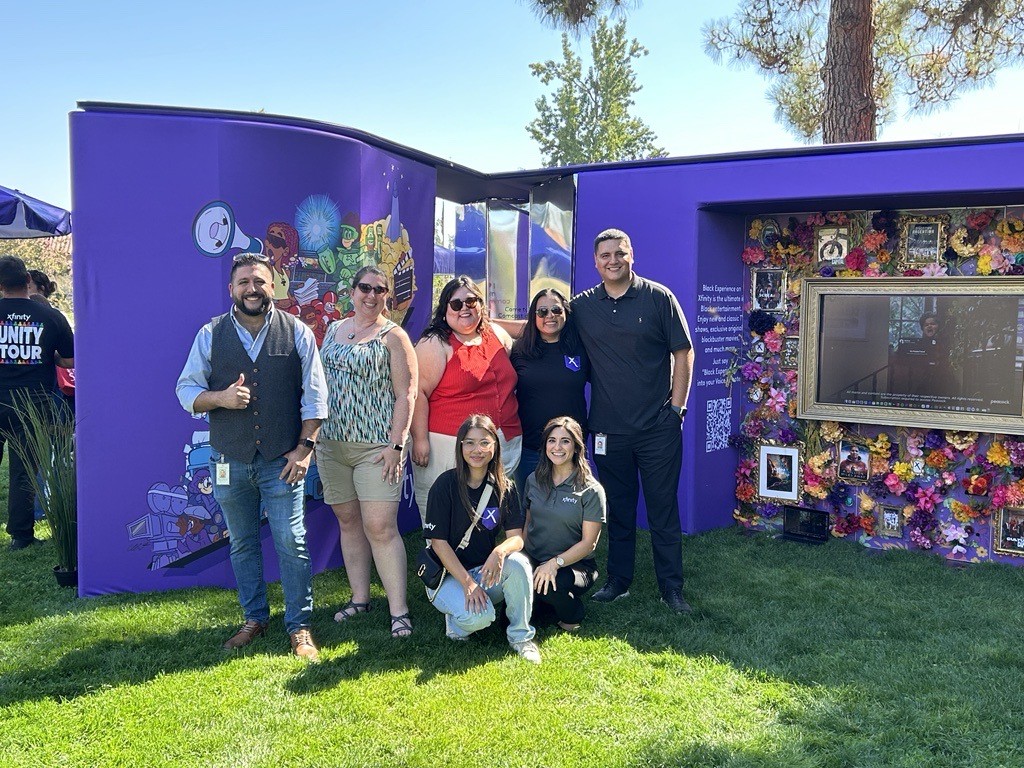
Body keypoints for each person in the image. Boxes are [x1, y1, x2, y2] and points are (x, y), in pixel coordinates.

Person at [176, 252, 328, 661]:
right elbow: (186, 392)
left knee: (291, 542)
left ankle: (300, 628)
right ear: (232, 289)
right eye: (244, 282)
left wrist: (305, 449)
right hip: (228, 459)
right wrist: (221, 398)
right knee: (242, 544)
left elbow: (315, 397)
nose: (252, 289)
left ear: (273, 286)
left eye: (260, 281)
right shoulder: (211, 334)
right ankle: (254, 618)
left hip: (283, 460)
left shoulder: (296, 331)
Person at [572, 229, 695, 614]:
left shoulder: (659, 298)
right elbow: (540, 325)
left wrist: (676, 410)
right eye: (605, 255)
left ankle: (671, 588)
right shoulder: (582, 306)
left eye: (619, 253)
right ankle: (618, 581)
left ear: (632, 256)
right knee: (619, 510)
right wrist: (484, 323)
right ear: (595, 262)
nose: (612, 260)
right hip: (608, 430)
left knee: (663, 511)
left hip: (658, 428)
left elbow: (683, 352)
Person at [317, 266, 418, 638]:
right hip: (331, 445)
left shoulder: (394, 337)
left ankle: (399, 612)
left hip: (377, 448)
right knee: (348, 522)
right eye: (365, 287)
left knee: (380, 527)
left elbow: (406, 395)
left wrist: (397, 444)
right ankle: (360, 599)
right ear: (352, 289)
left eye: (380, 290)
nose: (371, 295)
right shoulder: (333, 330)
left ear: (387, 296)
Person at [423, 414, 540, 663]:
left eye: (485, 443)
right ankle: (455, 624)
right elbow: (438, 543)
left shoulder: (504, 486)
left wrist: (500, 551)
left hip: (483, 572)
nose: (477, 450)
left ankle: (521, 637)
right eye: (470, 443)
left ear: (495, 447)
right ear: (461, 446)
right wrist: (467, 584)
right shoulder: (445, 485)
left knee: (519, 563)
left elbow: (517, 538)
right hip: (447, 577)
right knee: (481, 619)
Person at [411, 276, 521, 523]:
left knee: (487, 508)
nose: (465, 308)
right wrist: (419, 439)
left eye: (471, 301)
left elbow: (533, 329)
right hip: (447, 444)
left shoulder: (496, 334)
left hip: (502, 438)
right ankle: (439, 559)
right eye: (456, 304)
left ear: (481, 305)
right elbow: (418, 394)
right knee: (443, 509)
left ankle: (481, 558)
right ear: (445, 308)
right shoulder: (434, 343)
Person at [0, 256, 74, 550]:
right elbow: (69, 360)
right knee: (23, 471)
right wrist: (47, 356)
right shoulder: (52, 316)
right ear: (28, 281)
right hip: (32, 405)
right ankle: (21, 535)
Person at [522, 417, 605, 631]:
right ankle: (540, 600)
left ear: (577, 447)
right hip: (535, 559)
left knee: (551, 588)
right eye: (552, 440)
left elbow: (589, 544)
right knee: (507, 618)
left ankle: (573, 614)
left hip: (574, 566)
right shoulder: (533, 480)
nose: (557, 447)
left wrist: (554, 563)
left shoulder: (591, 490)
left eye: (565, 441)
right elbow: (527, 523)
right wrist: (519, 562)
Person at [510, 289, 589, 490]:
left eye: (556, 309)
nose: (549, 316)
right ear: (533, 317)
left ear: (565, 313)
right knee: (530, 511)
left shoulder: (581, 347)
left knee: (571, 512)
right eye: (542, 312)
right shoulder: (519, 350)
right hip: (530, 448)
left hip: (571, 448)